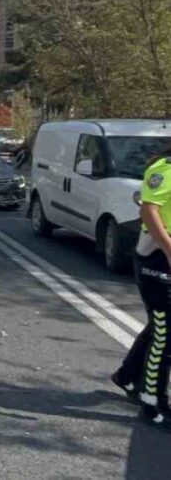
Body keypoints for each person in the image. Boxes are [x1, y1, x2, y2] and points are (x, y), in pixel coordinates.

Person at [114, 153, 171, 431]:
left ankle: (127, 375)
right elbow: (149, 211)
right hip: (157, 259)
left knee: (158, 326)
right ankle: (153, 400)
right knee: (165, 332)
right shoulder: (164, 170)